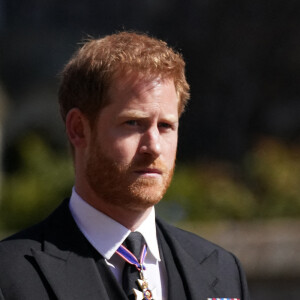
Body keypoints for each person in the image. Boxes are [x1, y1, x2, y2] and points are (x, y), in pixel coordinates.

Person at [0, 32, 250, 300]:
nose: (153, 146)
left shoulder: (223, 271)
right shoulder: (10, 276)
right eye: (133, 123)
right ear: (78, 129)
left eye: (165, 126)